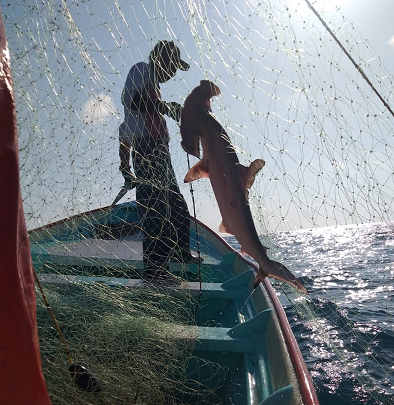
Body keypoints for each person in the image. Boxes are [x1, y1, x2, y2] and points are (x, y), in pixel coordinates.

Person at [119, 40, 202, 284]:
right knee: (156, 211)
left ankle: (180, 253)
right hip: (146, 151)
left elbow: (130, 125)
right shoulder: (141, 70)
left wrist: (168, 109)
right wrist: (166, 107)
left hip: (160, 152)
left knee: (176, 208)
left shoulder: (154, 85)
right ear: (161, 59)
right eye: (173, 66)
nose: (174, 72)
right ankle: (156, 272)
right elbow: (130, 101)